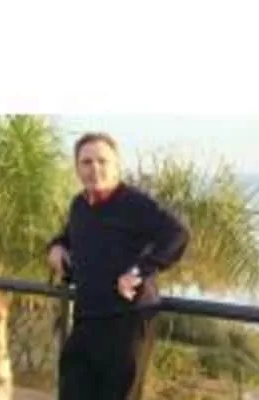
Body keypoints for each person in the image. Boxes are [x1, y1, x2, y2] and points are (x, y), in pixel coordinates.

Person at [47, 132, 190, 400]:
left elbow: (178, 234)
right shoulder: (79, 205)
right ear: (77, 168)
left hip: (127, 321)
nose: (95, 168)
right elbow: (69, 236)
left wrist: (138, 271)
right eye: (86, 162)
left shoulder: (135, 203)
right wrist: (56, 246)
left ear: (116, 166)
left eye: (103, 161)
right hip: (86, 319)